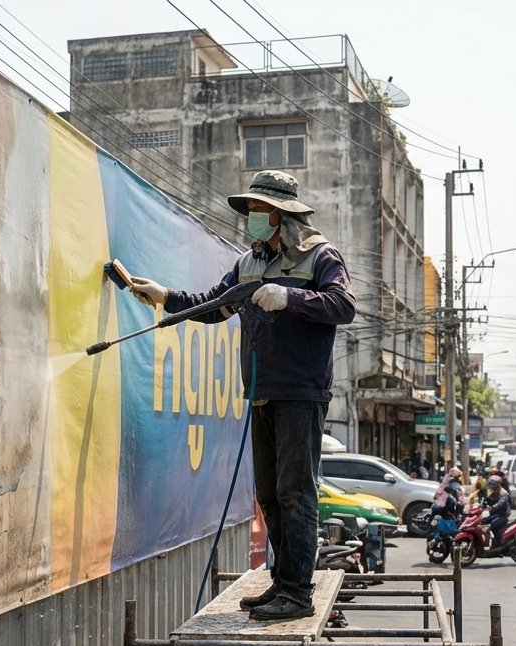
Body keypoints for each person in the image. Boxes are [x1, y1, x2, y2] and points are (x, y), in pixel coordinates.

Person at [129, 170, 356, 622]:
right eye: (250, 210)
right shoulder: (247, 263)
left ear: (281, 214)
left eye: (258, 210)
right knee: (269, 494)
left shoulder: (319, 255)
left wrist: (289, 298)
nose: (251, 217)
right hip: (260, 391)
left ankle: (297, 590)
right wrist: (165, 297)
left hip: (301, 392)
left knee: (296, 491)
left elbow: (343, 306)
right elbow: (216, 305)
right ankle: (283, 583)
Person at [478, 474, 512, 549]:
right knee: (484, 521)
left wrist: (491, 508)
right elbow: (489, 499)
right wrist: (482, 503)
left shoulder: (503, 493)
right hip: (497, 513)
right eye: (490, 484)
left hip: (503, 514)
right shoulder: (495, 491)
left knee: (492, 525)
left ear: (497, 485)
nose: (491, 486)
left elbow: (499, 504)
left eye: (492, 484)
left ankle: (499, 543)